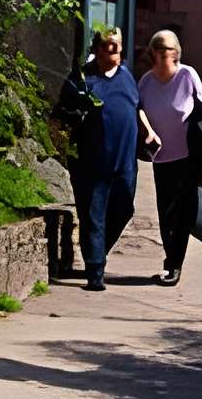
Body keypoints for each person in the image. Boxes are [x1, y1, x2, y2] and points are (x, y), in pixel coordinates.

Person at [53, 27, 156, 293]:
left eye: (118, 45)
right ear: (97, 48)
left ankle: (96, 250)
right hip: (91, 162)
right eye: (109, 45)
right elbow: (60, 117)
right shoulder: (82, 80)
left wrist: (149, 132)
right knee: (93, 215)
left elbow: (137, 108)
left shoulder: (127, 77)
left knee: (124, 209)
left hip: (125, 162)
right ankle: (95, 270)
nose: (115, 50)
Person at [136, 29, 202, 285]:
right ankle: (170, 258)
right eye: (159, 50)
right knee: (165, 213)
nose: (164, 55)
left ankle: (174, 266)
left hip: (187, 159)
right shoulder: (146, 82)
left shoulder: (187, 76)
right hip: (161, 159)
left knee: (182, 214)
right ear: (152, 53)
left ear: (177, 54)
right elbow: (138, 110)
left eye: (169, 50)